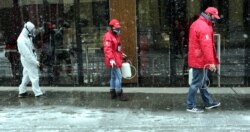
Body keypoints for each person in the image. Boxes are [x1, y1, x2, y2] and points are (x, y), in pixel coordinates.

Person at [186, 7, 221, 113]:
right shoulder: (203, 27)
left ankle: (208, 102)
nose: (214, 19)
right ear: (209, 15)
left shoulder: (198, 23)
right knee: (197, 83)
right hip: (200, 60)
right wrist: (211, 62)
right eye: (213, 17)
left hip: (198, 58)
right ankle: (190, 105)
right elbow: (206, 47)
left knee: (202, 82)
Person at [17, 21, 45, 98]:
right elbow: (27, 55)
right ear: (28, 29)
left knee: (27, 75)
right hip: (28, 60)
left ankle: (22, 91)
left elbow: (31, 50)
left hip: (29, 59)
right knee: (34, 75)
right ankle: (38, 93)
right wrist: (36, 62)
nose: (33, 31)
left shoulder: (27, 37)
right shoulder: (21, 40)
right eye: (32, 29)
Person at [103, 19, 128, 101]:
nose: (118, 30)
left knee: (113, 76)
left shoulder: (116, 36)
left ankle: (112, 92)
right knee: (119, 77)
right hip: (113, 60)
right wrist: (111, 59)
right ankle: (119, 93)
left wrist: (122, 54)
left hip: (116, 59)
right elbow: (107, 49)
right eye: (116, 29)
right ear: (111, 28)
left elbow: (117, 48)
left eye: (118, 28)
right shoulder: (108, 36)